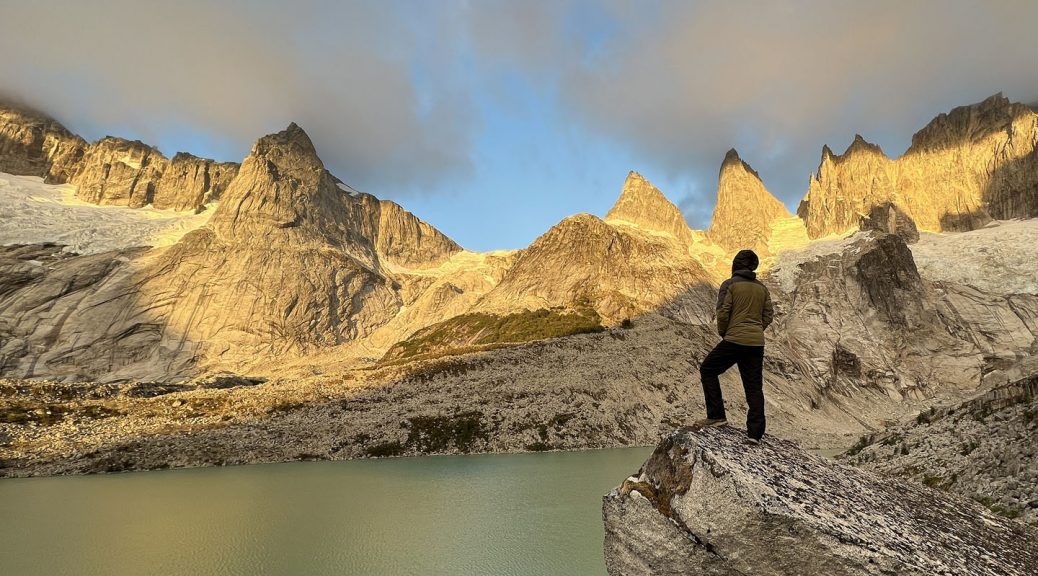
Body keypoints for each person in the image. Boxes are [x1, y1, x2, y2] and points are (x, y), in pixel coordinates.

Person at [694, 249, 774, 444]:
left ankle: (716, 416)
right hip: (756, 343)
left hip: (734, 339)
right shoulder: (762, 288)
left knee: (708, 370)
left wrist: (725, 332)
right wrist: (756, 329)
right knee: (754, 386)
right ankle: (755, 434)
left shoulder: (730, 285)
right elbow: (768, 315)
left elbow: (723, 312)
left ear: (736, 265)